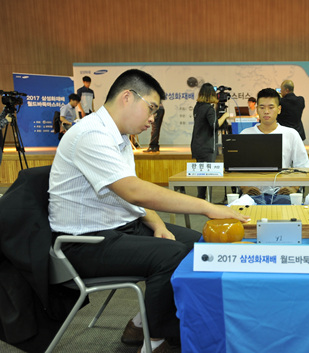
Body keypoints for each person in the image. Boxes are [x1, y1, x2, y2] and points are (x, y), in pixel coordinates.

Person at [48, 69, 248, 353]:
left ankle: (140, 323)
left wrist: (158, 225)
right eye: (151, 108)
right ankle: (153, 341)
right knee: (172, 256)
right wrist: (206, 207)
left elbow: (132, 198)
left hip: (120, 228)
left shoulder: (119, 137)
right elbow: (133, 191)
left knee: (198, 244)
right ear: (127, 97)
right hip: (84, 242)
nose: (153, 118)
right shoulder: (91, 134)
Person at [240, 88, 309, 205]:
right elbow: (236, 168)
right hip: (253, 193)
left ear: (279, 109)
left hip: (282, 192)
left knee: (285, 214)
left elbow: (303, 166)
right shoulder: (245, 134)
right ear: (257, 109)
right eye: (262, 107)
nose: (266, 111)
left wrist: (294, 188)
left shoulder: (291, 134)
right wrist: (244, 188)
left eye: (271, 107)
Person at [190, 83, 229, 199]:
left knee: (200, 175)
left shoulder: (198, 106)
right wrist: (225, 116)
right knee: (207, 176)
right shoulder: (208, 108)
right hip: (207, 147)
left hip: (197, 145)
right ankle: (205, 200)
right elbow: (215, 125)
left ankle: (201, 198)